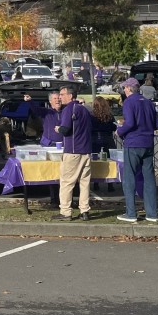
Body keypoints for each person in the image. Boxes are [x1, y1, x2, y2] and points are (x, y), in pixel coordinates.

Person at [117, 77, 158, 223]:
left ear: (129, 89)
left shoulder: (129, 102)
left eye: (124, 88)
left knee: (129, 178)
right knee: (149, 178)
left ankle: (131, 213)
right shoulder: (148, 102)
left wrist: (120, 131)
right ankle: (152, 213)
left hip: (133, 143)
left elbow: (130, 123)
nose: (124, 90)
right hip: (148, 143)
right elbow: (157, 125)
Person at [54, 84, 94, 221]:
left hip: (72, 150)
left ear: (70, 96)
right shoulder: (84, 109)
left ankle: (65, 211)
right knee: (84, 182)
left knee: (66, 182)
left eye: (62, 94)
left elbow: (65, 129)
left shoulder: (68, 109)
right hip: (86, 150)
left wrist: (58, 129)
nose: (60, 97)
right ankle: (84, 210)